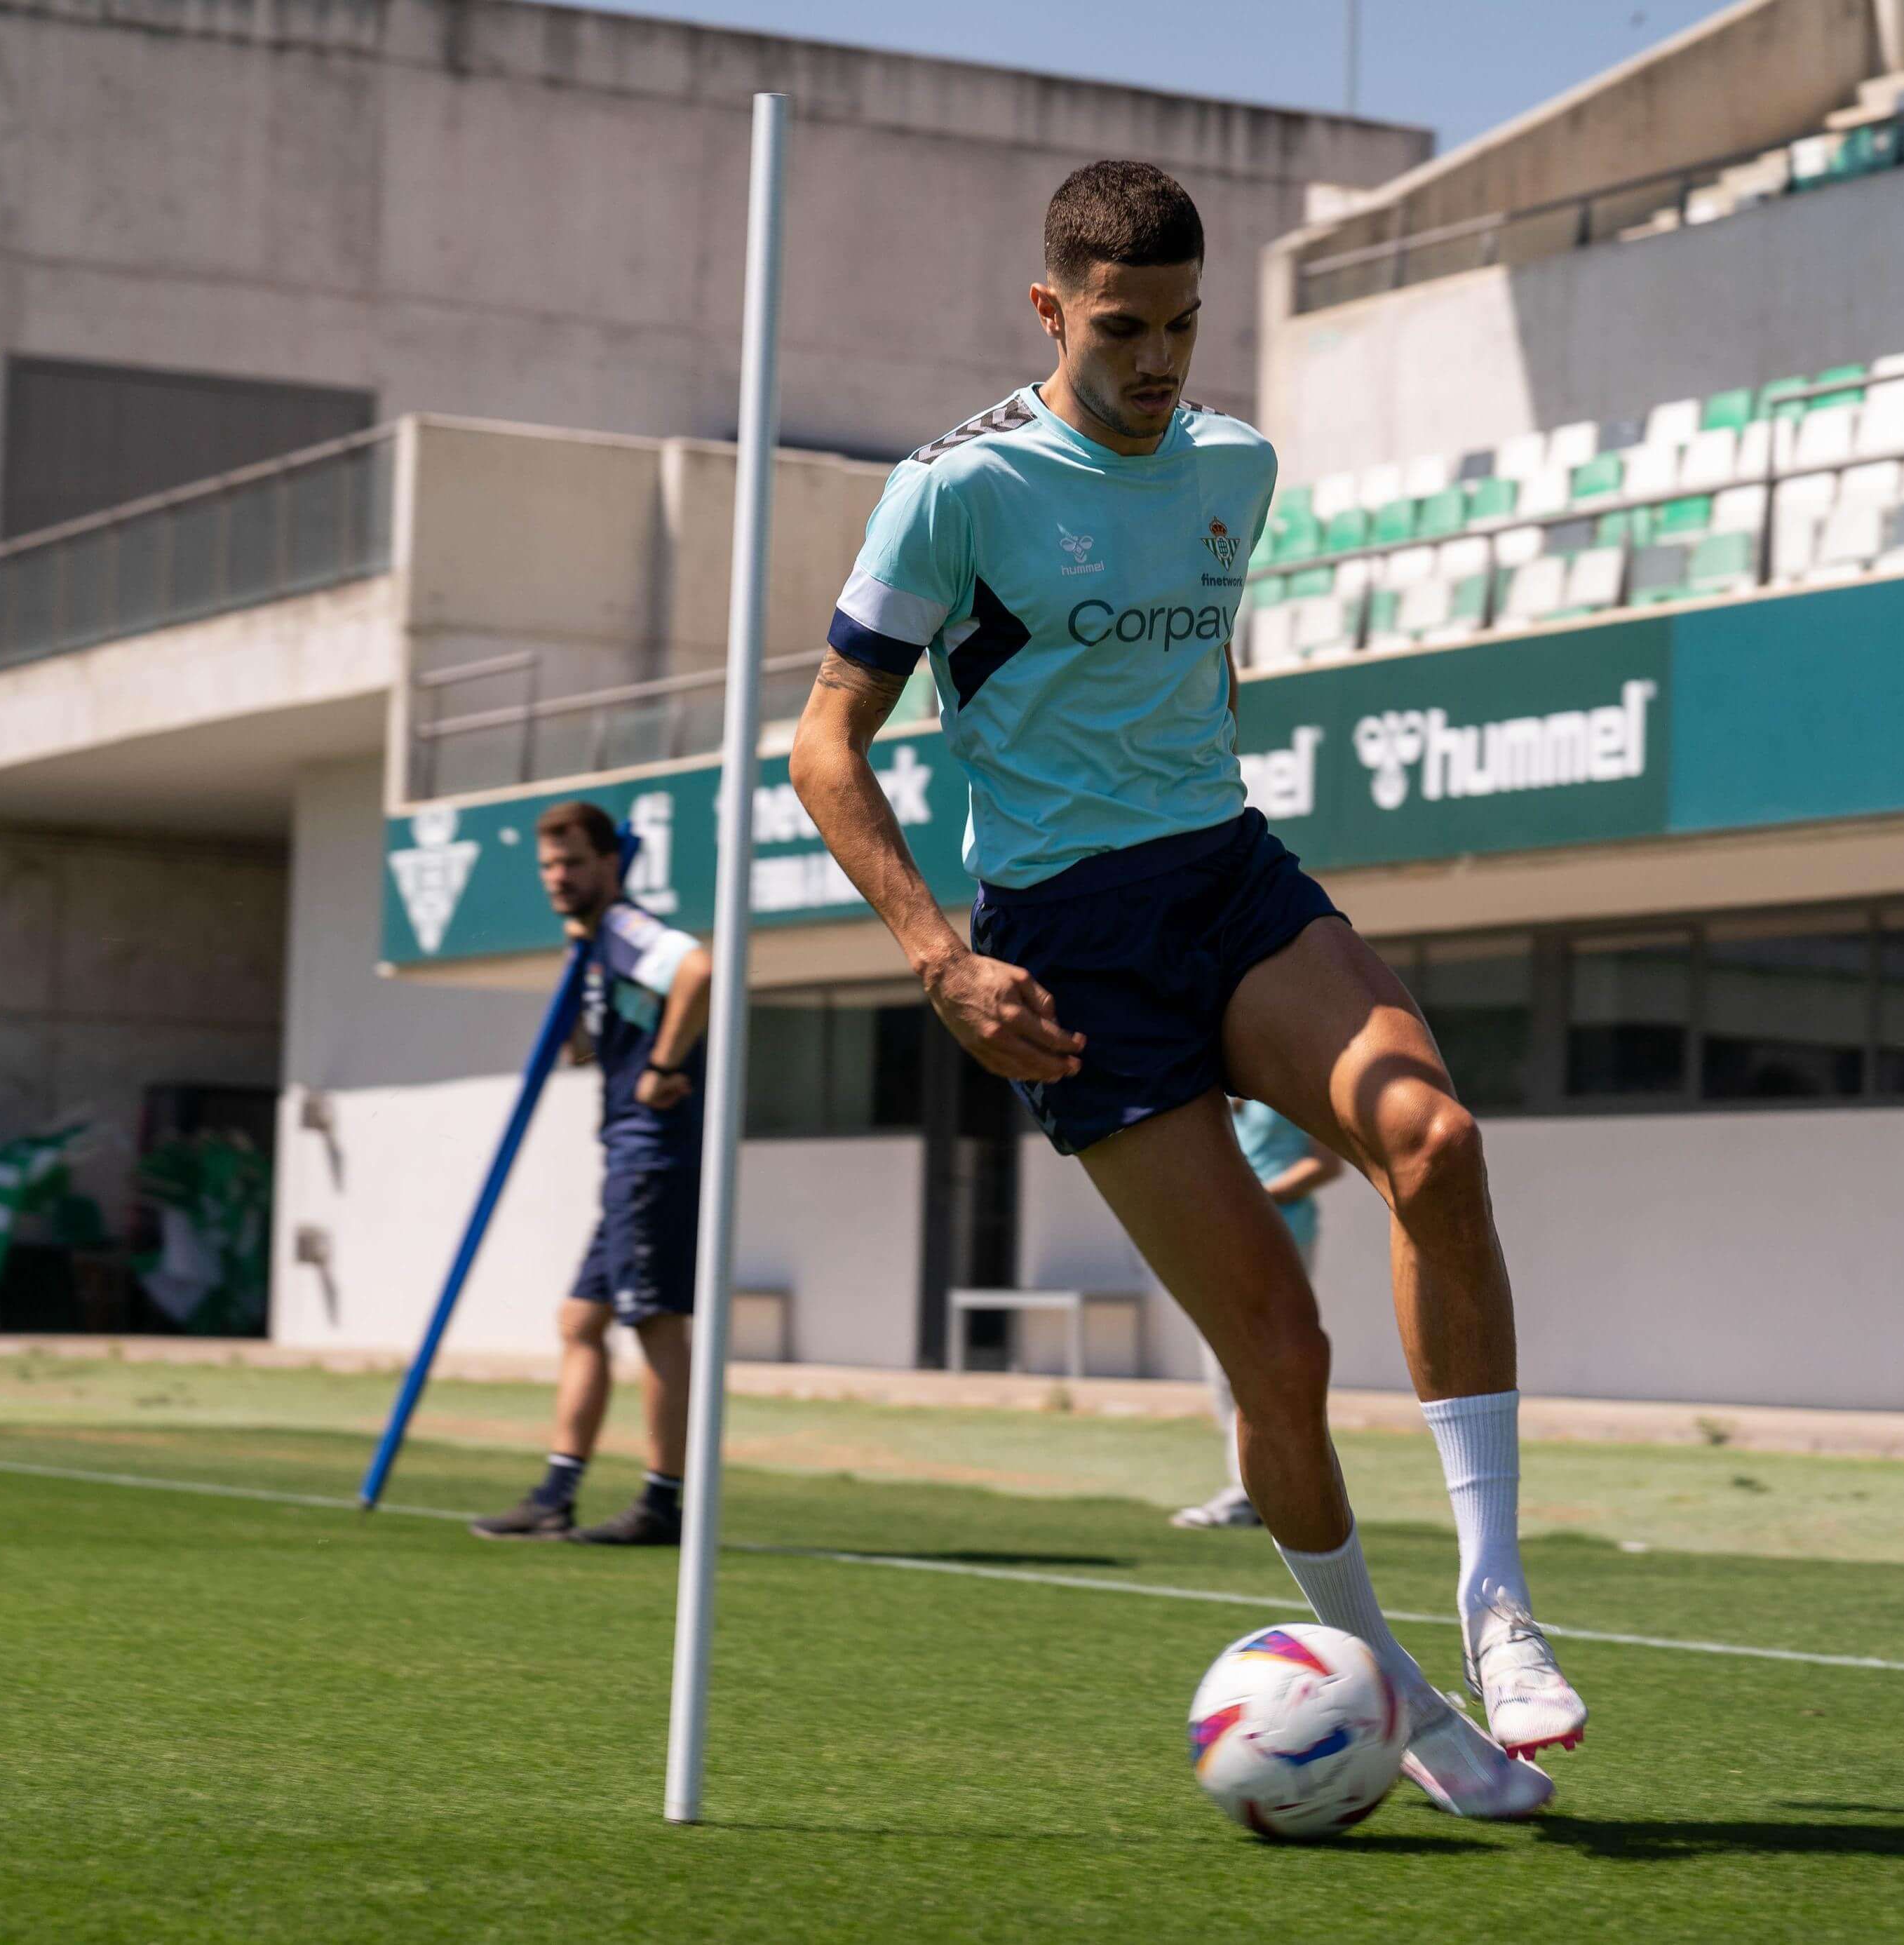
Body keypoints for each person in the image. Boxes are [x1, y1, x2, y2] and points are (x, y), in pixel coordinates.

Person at [789, 162, 1584, 1817]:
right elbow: (824, 744)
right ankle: (1412, 1711)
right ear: (1049, 312)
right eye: (1123, 329)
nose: (1159, 362)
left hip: (1227, 878)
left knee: (1433, 1143)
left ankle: (1498, 1598)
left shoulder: (1239, 463)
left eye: (1184, 326)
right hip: (1067, 950)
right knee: (1277, 1351)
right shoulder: (958, 491)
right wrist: (944, 960)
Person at [469, 801, 711, 1548]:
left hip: (653, 1148)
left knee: (653, 1318)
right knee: (581, 1320)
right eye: (548, 865)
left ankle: (663, 1502)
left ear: (610, 863)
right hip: (626, 1151)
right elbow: (584, 1047)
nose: (558, 878)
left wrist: (664, 1067)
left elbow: (698, 970)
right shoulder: (597, 944)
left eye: (572, 862)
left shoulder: (625, 928)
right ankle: (555, 1493)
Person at [1172, 1098, 1340, 1530]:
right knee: (1224, 1367)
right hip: (1223, 1232)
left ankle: (1260, 1493)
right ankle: (1263, 1489)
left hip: (1280, 1232)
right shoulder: (1215, 1085)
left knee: (1260, 1363)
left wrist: (1259, 1198)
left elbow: (1326, 1164)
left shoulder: (1288, 1080)